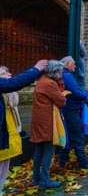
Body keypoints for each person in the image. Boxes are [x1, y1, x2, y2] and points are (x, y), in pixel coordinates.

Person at [0, 61, 46, 194]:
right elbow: (14, 83)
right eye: (4, 73)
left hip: (7, 140)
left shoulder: (10, 95)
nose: (9, 75)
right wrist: (36, 69)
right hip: (4, 138)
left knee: (4, 169)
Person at [30, 60, 66, 191]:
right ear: (55, 71)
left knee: (39, 150)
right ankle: (45, 180)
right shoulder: (50, 83)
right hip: (47, 122)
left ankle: (36, 178)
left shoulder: (42, 80)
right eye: (60, 71)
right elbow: (61, 101)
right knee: (48, 151)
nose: (62, 73)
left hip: (39, 121)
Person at [59, 56, 88, 170]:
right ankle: (82, 162)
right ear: (67, 64)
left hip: (67, 108)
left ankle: (63, 162)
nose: (75, 66)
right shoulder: (68, 76)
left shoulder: (63, 75)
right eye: (73, 63)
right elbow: (75, 92)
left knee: (69, 136)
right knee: (77, 135)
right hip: (71, 109)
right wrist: (85, 95)